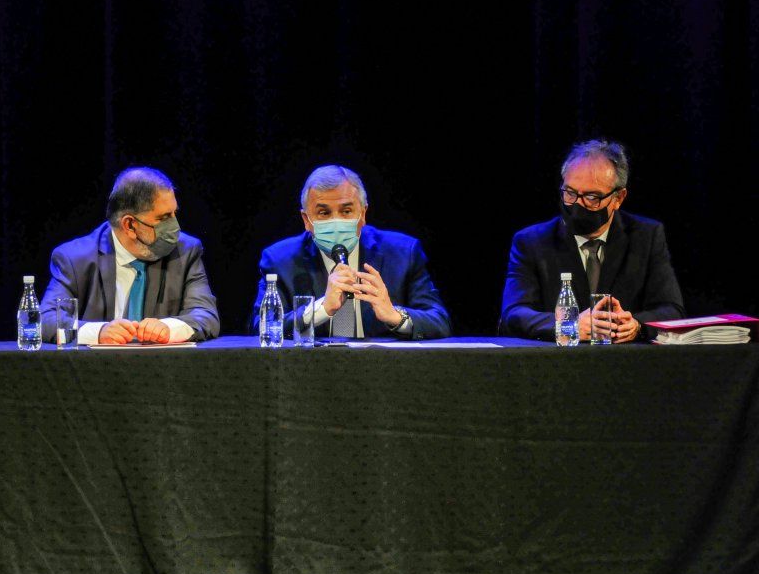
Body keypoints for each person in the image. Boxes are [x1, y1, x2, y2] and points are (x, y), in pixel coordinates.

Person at [500, 139, 685, 342]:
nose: (577, 205)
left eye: (592, 197)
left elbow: (672, 309)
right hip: (556, 359)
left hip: (626, 359)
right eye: (570, 193)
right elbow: (514, 313)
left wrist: (636, 325)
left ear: (618, 198)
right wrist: (567, 325)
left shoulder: (646, 237)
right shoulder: (531, 242)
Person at [251, 165, 451, 340]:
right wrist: (320, 309)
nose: (336, 221)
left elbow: (439, 321)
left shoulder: (404, 253)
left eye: (346, 211)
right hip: (311, 368)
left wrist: (394, 316)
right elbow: (261, 327)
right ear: (306, 220)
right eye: (324, 213)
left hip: (384, 367)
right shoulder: (279, 260)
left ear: (362, 214)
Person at [39, 166, 219, 344]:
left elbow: (206, 314)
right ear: (130, 225)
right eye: (164, 218)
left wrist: (169, 328)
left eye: (174, 214)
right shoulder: (74, 258)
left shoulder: (185, 251)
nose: (175, 227)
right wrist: (99, 332)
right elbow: (44, 320)